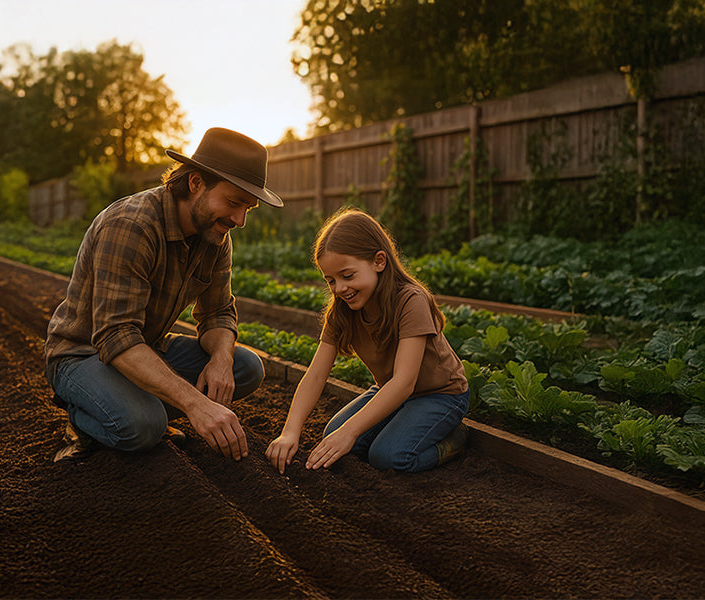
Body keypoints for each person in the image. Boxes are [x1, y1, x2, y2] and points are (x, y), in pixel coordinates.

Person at [45, 127, 283, 462]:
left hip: (147, 346)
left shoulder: (214, 235)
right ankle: (83, 416)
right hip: (84, 355)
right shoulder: (132, 226)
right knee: (143, 426)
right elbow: (115, 336)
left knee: (246, 367)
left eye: (249, 208)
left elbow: (217, 313)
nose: (240, 220)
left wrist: (221, 359)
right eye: (233, 202)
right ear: (195, 183)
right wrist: (195, 404)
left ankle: (138, 401)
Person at [265, 209, 469, 474]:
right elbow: (315, 376)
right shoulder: (342, 312)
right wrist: (290, 432)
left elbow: (404, 381)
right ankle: (401, 424)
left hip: (440, 395)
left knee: (388, 457)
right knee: (335, 435)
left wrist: (349, 432)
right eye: (331, 281)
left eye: (347, 276)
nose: (339, 288)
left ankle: (454, 440)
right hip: (391, 391)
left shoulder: (410, 300)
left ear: (379, 261)